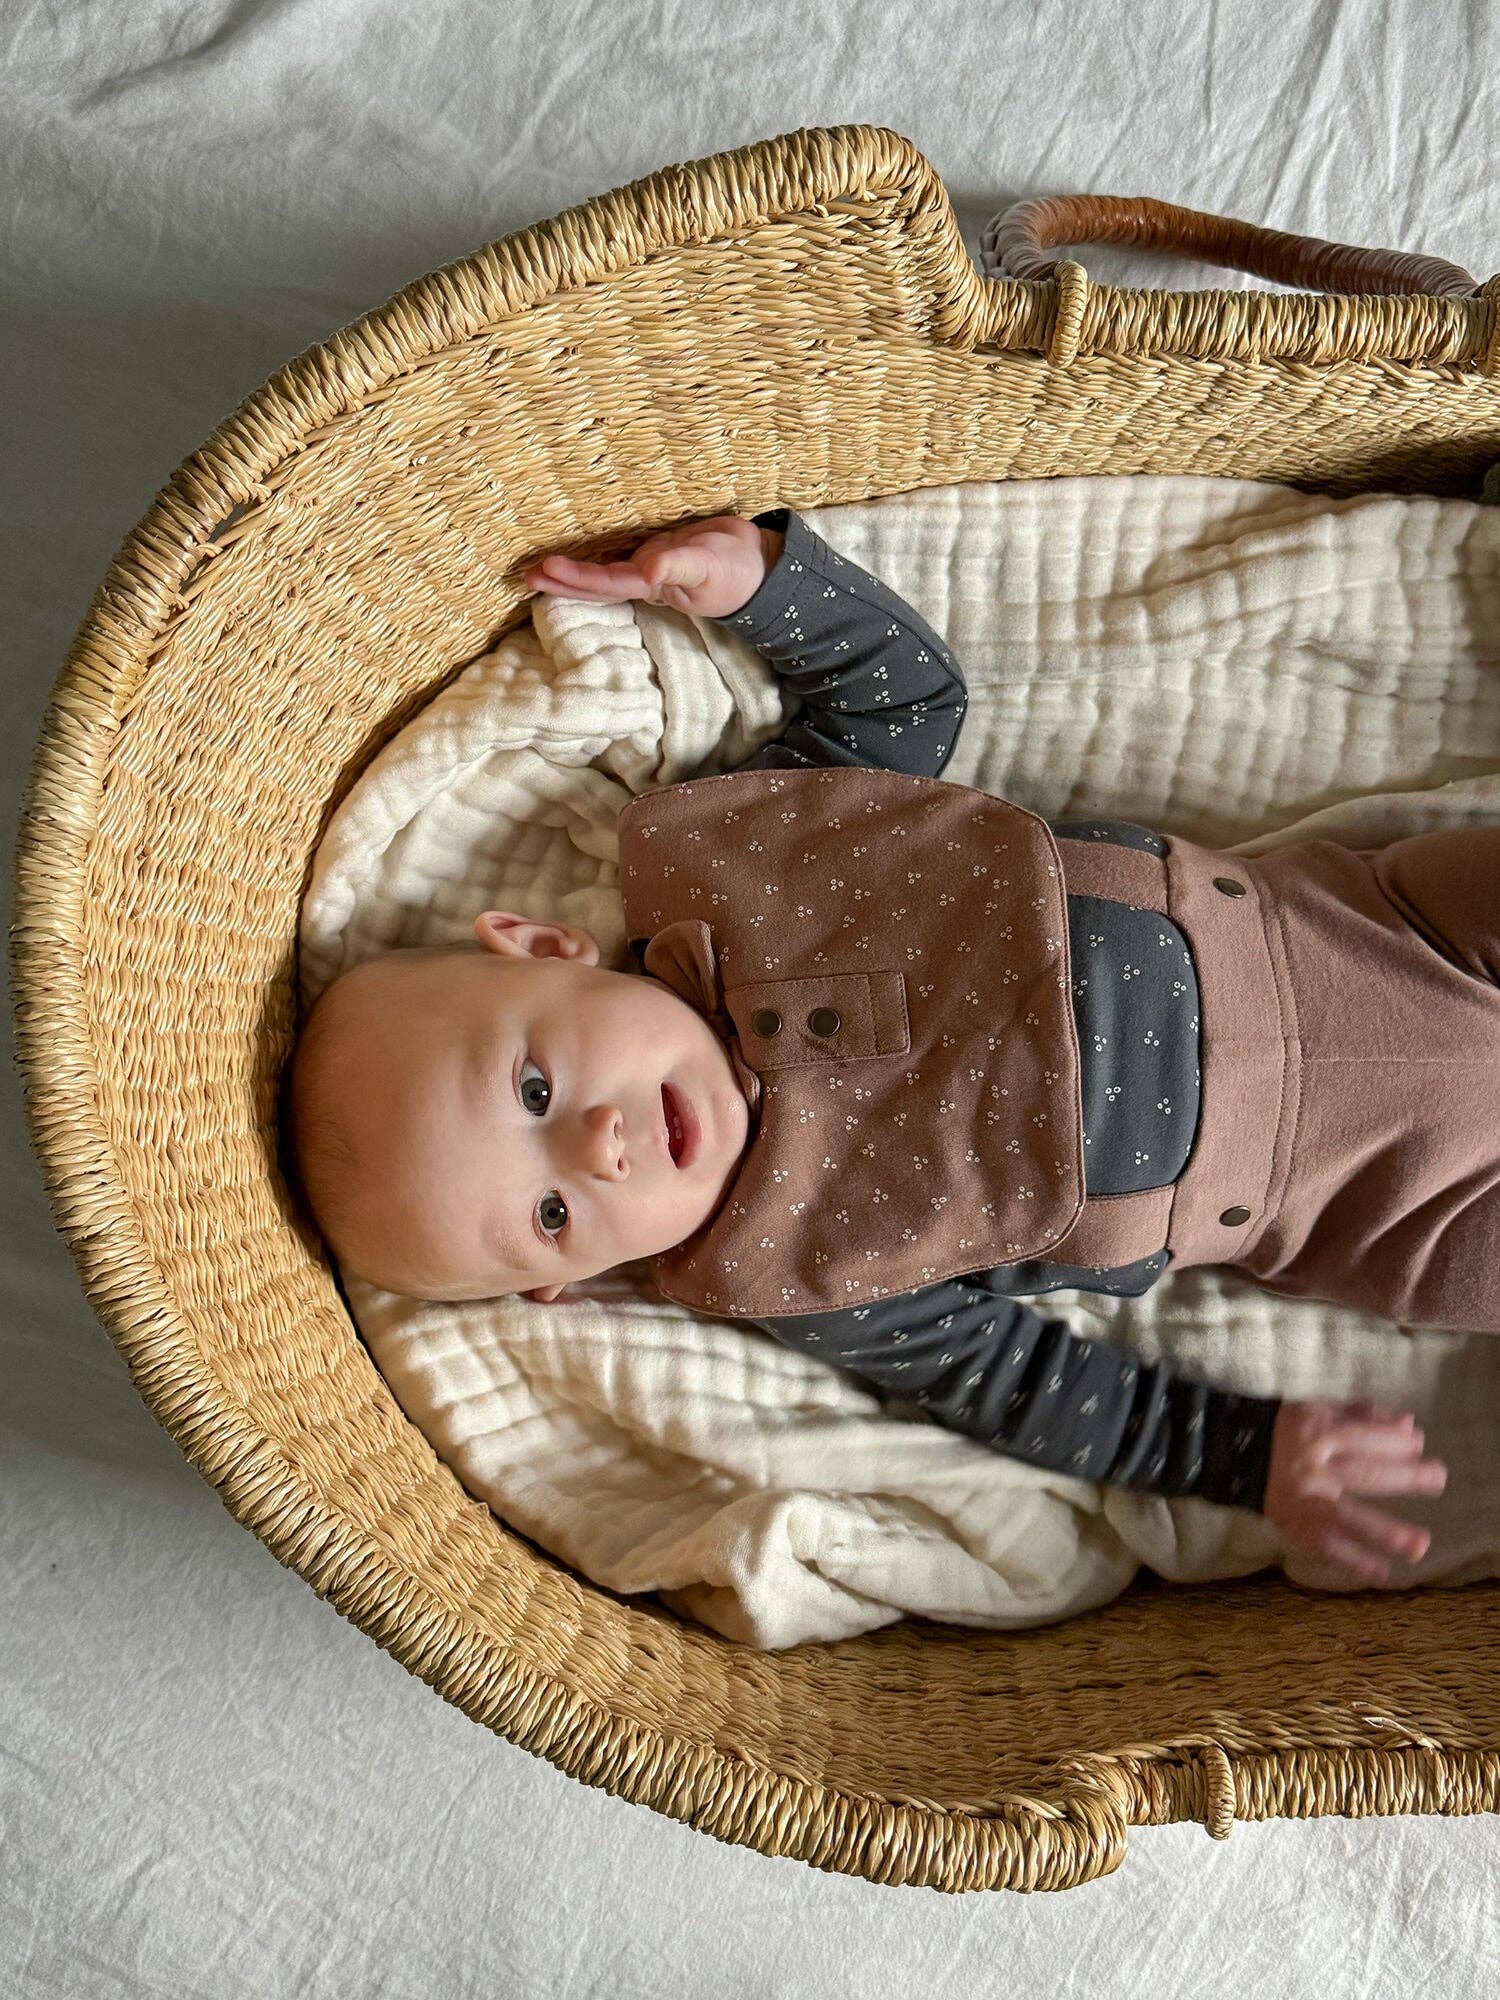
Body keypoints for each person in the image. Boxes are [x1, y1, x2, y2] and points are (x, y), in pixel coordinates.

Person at [286, 505, 1476, 1589]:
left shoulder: (733, 862)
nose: (599, 1146)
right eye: (551, 1212)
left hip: (1387, 934)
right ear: (574, 1280)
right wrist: (1250, 1457)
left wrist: (760, 586)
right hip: (1375, 1197)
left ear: (544, 946)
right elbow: (1016, 1382)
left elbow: (904, 703)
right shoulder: (801, 1272)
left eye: (537, 1087)